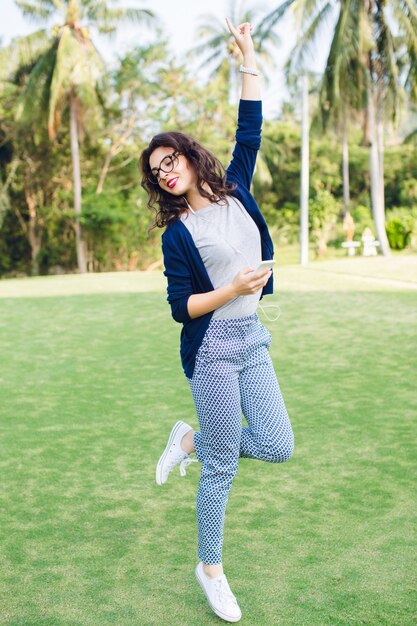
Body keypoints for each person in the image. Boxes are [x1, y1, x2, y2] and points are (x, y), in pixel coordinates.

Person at [139, 18, 294, 624]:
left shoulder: (235, 191)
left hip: (251, 337)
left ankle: (187, 441)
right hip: (212, 348)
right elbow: (182, 308)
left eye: (170, 160)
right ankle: (210, 568)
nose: (166, 173)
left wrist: (248, 55)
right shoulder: (179, 235)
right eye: (157, 173)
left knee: (277, 445)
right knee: (225, 460)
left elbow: (249, 123)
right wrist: (228, 287)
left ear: (189, 156)